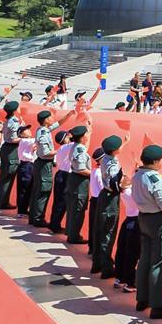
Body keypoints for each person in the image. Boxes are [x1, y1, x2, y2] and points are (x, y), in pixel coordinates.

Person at [131, 144, 162, 320]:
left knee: (145, 259)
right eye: (161, 159)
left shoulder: (137, 175)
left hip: (144, 218)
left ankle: (142, 298)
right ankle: (158, 306)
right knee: (160, 262)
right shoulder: (155, 180)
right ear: (154, 162)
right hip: (160, 221)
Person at [29, 109, 74, 227]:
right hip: (44, 164)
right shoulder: (44, 133)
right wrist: (61, 151)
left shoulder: (43, 129)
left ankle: (33, 217)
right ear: (45, 120)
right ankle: (38, 218)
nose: (52, 118)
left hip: (41, 164)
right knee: (43, 191)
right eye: (50, 117)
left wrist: (68, 115)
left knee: (38, 190)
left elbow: (58, 124)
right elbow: (45, 153)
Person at [92, 135, 126, 279]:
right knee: (108, 232)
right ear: (115, 150)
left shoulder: (106, 157)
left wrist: (126, 142)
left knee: (100, 230)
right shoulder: (112, 164)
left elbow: (115, 154)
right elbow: (114, 184)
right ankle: (106, 267)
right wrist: (123, 186)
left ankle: (97, 263)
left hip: (103, 195)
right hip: (110, 198)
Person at [65, 125, 93, 244]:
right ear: (82, 137)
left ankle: (70, 232)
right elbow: (81, 169)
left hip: (74, 179)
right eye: (86, 133)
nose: (87, 135)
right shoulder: (80, 150)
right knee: (78, 209)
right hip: (79, 181)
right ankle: (74, 236)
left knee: (73, 207)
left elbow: (85, 147)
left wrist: (90, 133)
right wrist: (94, 174)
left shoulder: (77, 146)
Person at [114, 171, 140, 293]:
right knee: (132, 253)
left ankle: (120, 277)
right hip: (136, 223)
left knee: (122, 250)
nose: (125, 176)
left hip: (129, 221)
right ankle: (131, 282)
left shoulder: (124, 191)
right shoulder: (131, 193)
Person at [0, 101, 22, 209]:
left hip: (6, 148)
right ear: (15, 110)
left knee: (4, 176)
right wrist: (25, 138)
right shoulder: (14, 122)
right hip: (12, 150)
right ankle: (3, 202)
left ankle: (0, 200)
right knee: (8, 177)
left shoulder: (8, 120)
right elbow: (14, 139)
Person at [48, 130, 73, 234]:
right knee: (62, 202)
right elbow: (81, 143)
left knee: (58, 201)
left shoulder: (62, 148)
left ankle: (54, 224)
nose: (69, 137)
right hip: (65, 176)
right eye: (67, 136)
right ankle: (55, 226)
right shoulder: (67, 147)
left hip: (60, 174)